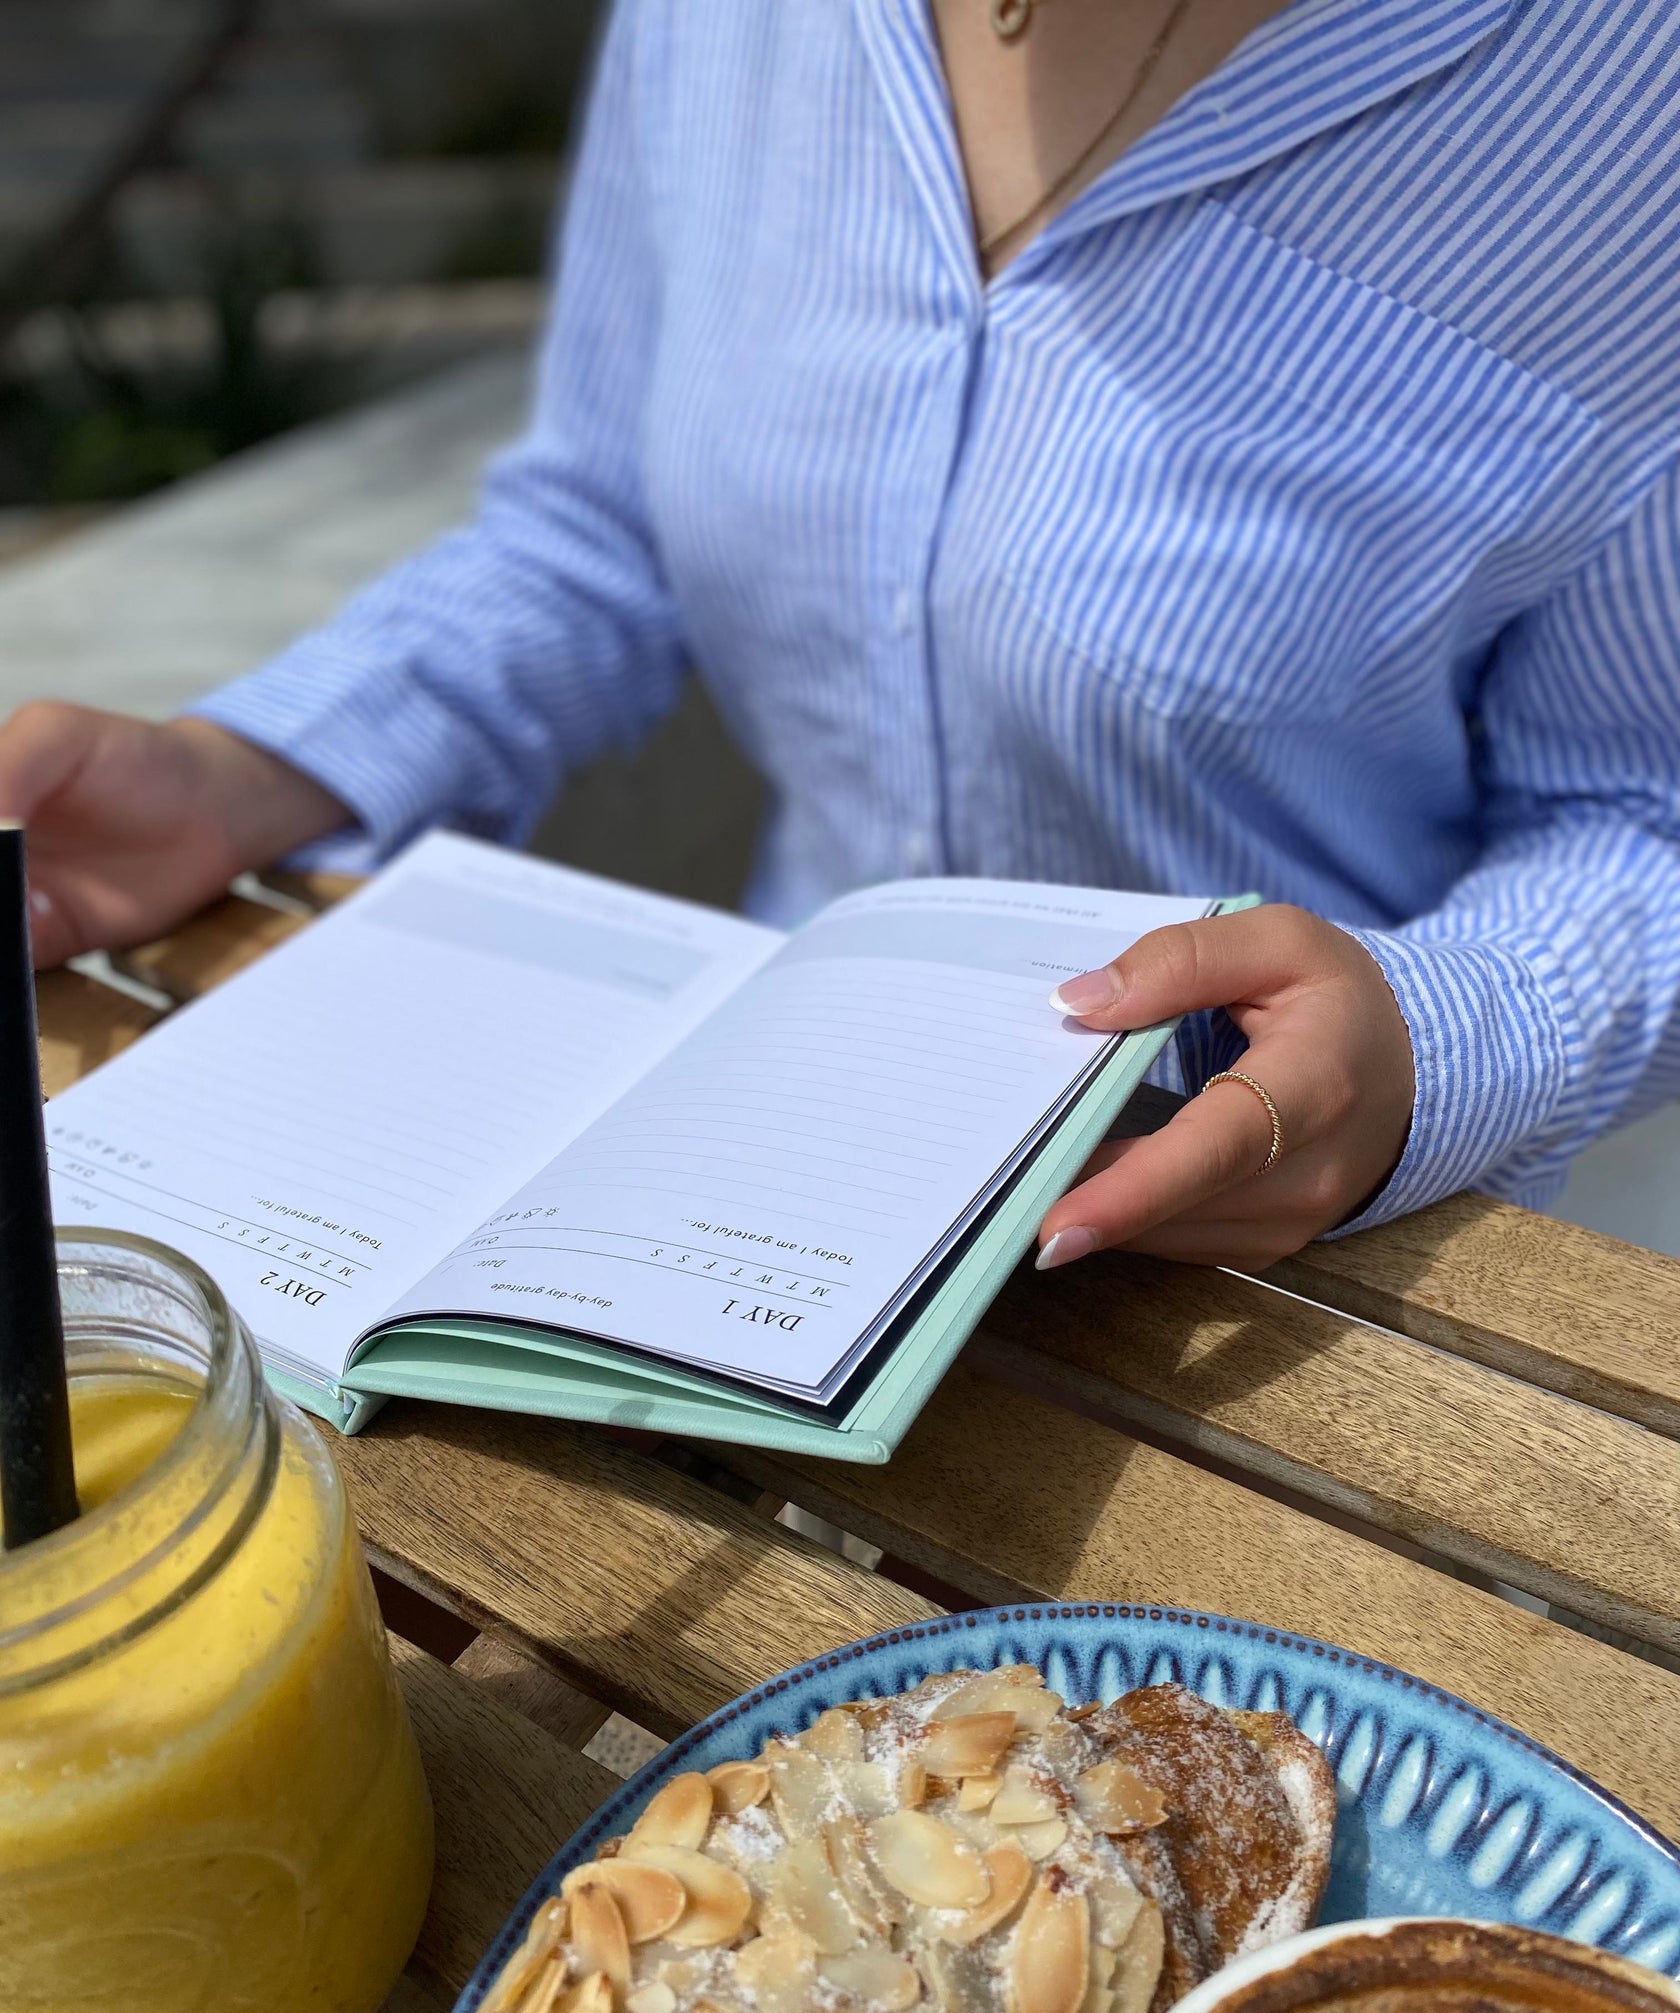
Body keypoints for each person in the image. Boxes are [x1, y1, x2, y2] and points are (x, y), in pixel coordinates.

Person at [3, 0, 1677, 1277]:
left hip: (1273, 1282)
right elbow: (602, 520)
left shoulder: (1629, 109)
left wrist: (1436, 1034)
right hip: (758, 1192)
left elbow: (1643, 815)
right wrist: (253, 767)